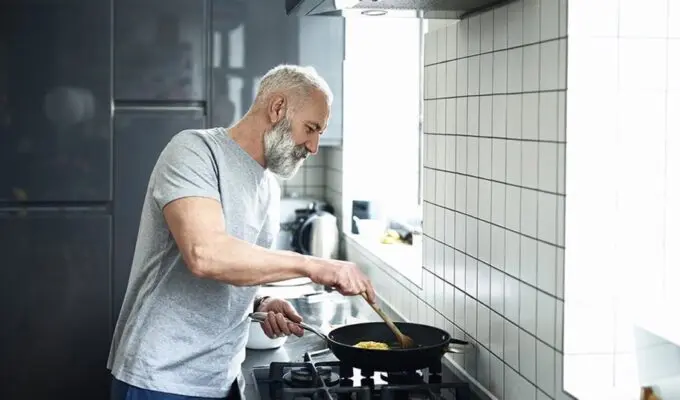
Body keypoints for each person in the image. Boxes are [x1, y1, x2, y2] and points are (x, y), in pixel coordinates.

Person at [107, 64, 376, 400]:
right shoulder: (195, 151)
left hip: (220, 376)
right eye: (311, 128)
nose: (314, 146)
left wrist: (261, 301)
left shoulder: (269, 186)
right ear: (277, 108)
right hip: (160, 377)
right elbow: (206, 255)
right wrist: (314, 264)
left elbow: (235, 267)